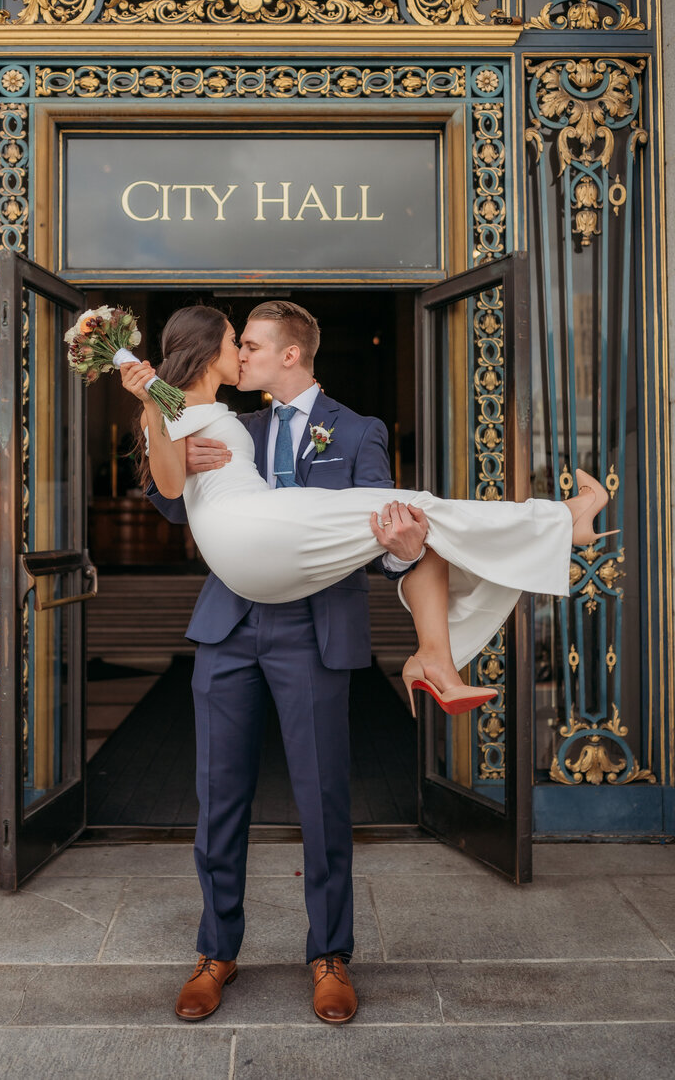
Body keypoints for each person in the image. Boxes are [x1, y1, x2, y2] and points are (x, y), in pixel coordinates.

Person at [121, 302, 609, 1023]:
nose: (242, 354)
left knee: (324, 798)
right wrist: (160, 445)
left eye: (253, 343)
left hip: (314, 630)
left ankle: (330, 955)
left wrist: (408, 549)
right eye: (238, 344)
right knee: (218, 795)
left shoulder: (358, 430)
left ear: (292, 353)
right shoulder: (235, 419)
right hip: (232, 624)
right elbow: (167, 502)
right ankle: (215, 951)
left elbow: (387, 540)